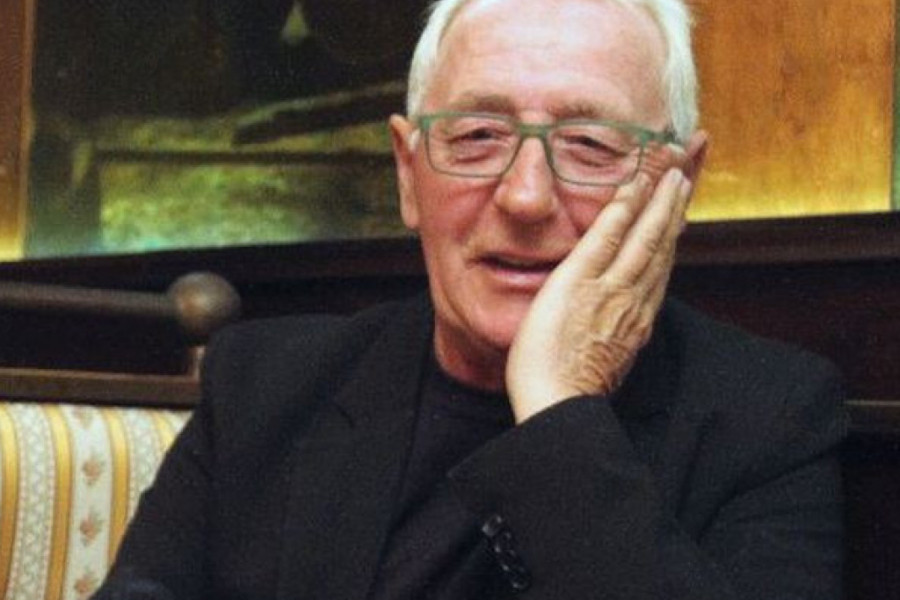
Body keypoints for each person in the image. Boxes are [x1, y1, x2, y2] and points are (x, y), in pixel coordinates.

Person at [94, 0, 847, 598]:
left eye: (590, 143)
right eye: (478, 136)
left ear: (681, 183)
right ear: (407, 172)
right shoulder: (264, 386)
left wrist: (558, 408)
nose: (525, 196)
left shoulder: (770, 421)